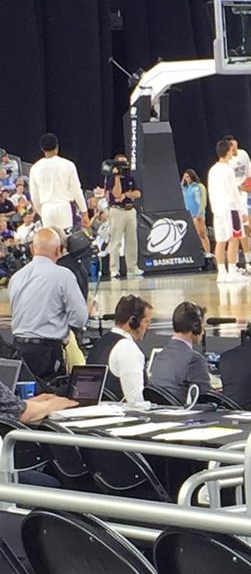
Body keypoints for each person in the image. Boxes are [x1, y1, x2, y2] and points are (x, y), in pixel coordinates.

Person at [9, 227, 89, 382]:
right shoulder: (63, 275)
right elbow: (79, 319)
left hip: (19, 349)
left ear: (32, 249)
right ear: (58, 250)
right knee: (52, 397)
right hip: (47, 352)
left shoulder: (16, 277)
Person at [86, 294, 153, 405]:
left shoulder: (100, 343)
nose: (149, 327)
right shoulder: (127, 348)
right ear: (133, 322)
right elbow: (136, 400)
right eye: (146, 322)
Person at [147, 301, 211, 402]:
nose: (203, 331)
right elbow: (206, 399)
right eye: (203, 326)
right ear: (196, 327)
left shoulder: (160, 356)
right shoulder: (194, 360)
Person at [28, 134, 89, 231]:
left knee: (50, 241)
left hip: (46, 207)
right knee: (65, 239)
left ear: (42, 149)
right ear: (57, 147)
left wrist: (41, 210)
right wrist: (84, 212)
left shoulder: (35, 168)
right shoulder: (68, 165)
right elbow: (77, 190)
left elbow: (34, 196)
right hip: (63, 206)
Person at [208, 137, 247, 285]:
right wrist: (242, 211)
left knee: (220, 241)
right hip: (230, 208)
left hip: (218, 210)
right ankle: (232, 271)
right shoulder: (228, 170)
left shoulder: (213, 170)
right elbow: (234, 192)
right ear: (228, 151)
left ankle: (221, 273)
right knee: (234, 238)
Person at [227, 136, 251, 270]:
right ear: (228, 147)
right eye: (233, 145)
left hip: (247, 195)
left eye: (236, 144)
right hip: (234, 199)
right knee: (237, 232)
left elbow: (250, 173)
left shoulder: (243, 154)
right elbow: (226, 186)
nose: (236, 147)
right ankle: (234, 264)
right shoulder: (225, 165)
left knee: (247, 230)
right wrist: (239, 188)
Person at [105, 150, 142, 280]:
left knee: (132, 240)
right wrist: (116, 178)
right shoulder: (110, 179)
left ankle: (132, 267)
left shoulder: (130, 178)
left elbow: (138, 194)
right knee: (115, 241)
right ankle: (114, 269)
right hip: (117, 211)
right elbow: (116, 194)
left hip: (130, 210)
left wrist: (127, 195)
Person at [181, 169, 211, 258]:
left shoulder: (199, 186)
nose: (186, 179)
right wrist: (183, 181)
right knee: (194, 235)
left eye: (188, 177)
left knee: (201, 233)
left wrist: (200, 212)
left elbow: (203, 200)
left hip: (197, 213)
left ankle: (207, 251)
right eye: (185, 177)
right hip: (189, 213)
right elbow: (180, 188)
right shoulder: (185, 188)